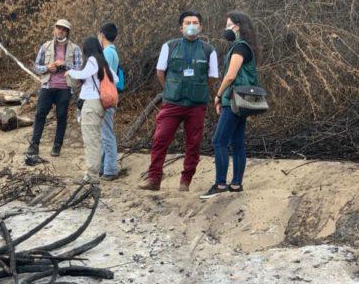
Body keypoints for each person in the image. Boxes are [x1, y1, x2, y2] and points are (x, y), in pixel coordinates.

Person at [138, 11, 219, 192]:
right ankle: (154, 179)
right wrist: (170, 88)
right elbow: (160, 71)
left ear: (201, 27)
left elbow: (212, 76)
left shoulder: (209, 50)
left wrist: (198, 86)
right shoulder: (169, 46)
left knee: (194, 143)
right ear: (181, 27)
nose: (192, 25)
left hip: (196, 105)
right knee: (160, 139)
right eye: (188, 22)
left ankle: (185, 181)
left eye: (195, 22)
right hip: (172, 103)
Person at [200, 12, 261, 199]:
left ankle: (220, 184)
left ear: (238, 26)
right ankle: (236, 185)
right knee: (237, 142)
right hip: (243, 100)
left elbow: (231, 75)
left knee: (219, 141)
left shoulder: (239, 48)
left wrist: (219, 95)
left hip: (233, 100)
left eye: (229, 25)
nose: (227, 28)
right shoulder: (247, 47)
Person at [27, 19, 83, 157]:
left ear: (67, 32)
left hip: (65, 87)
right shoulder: (45, 46)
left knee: (62, 117)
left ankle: (57, 146)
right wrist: (47, 67)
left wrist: (65, 63)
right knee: (40, 114)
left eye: (64, 29)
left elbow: (79, 68)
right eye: (58, 28)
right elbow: (36, 66)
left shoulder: (75, 48)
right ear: (54, 29)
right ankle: (34, 145)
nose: (60, 30)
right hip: (47, 86)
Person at [66, 36, 117, 183]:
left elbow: (82, 74)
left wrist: (70, 72)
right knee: (96, 138)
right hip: (100, 104)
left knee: (91, 140)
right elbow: (116, 79)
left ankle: (91, 175)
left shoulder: (93, 60)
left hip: (91, 104)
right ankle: (94, 172)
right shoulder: (103, 62)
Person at [99, 23, 121, 180]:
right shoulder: (113, 52)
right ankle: (103, 166)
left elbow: (102, 76)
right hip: (112, 95)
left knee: (106, 134)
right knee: (105, 132)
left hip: (106, 96)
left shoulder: (106, 53)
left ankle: (110, 169)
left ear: (102, 35)